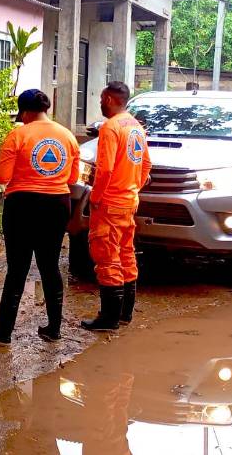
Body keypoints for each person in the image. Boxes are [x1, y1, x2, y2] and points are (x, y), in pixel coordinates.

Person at [0, 89, 81, 346]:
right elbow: (72, 179)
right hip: (57, 205)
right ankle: (54, 329)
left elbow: (2, 177)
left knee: (17, 269)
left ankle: (3, 333)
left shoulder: (18, 134)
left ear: (25, 112)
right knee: (50, 266)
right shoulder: (68, 136)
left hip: (22, 206)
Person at [82, 81, 151, 332]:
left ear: (110, 99)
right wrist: (132, 187)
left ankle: (109, 319)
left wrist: (96, 197)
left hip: (110, 203)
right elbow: (145, 166)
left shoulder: (111, 128)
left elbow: (106, 169)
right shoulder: (135, 126)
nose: (100, 102)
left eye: (101, 98)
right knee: (126, 255)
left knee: (107, 258)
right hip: (128, 202)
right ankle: (124, 314)